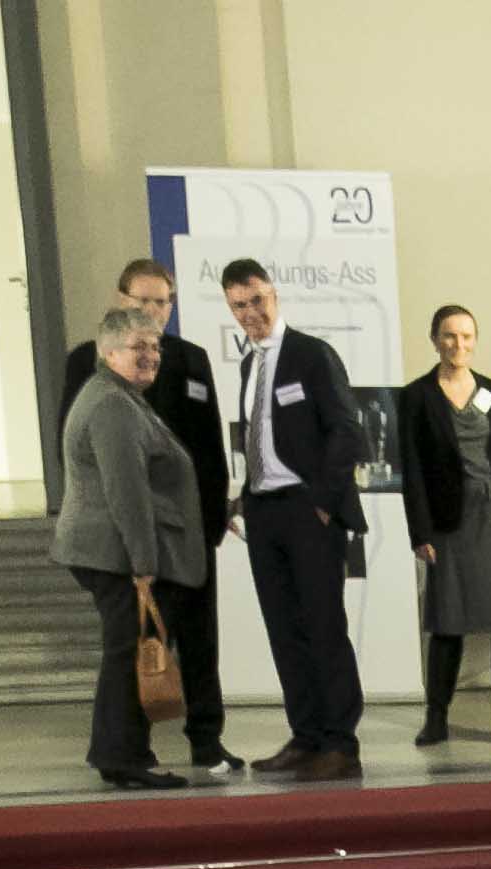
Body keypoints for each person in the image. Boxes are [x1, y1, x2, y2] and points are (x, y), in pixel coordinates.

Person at [55, 259, 235, 776]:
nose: (150, 353)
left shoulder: (136, 388)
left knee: (133, 649)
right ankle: (125, 755)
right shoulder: (110, 397)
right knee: (129, 650)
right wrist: (144, 561)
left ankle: (122, 751)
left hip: (166, 539)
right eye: (139, 347)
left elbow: (205, 449)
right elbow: (125, 488)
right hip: (126, 545)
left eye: (154, 345)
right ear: (109, 350)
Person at [218, 256, 367, 781]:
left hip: (308, 510)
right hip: (264, 512)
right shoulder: (249, 365)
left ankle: (340, 743)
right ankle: (306, 736)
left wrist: (322, 502)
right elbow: (261, 438)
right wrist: (242, 499)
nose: (250, 312)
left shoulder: (311, 355)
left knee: (324, 627)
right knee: (284, 630)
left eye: (257, 300)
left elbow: (347, 431)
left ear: (274, 295)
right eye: (239, 305)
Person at [396, 303, 491, 749]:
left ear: (475, 340)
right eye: (449, 335)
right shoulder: (417, 396)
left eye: (466, 336)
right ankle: (436, 718)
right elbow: (413, 470)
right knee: (447, 621)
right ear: (434, 339)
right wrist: (420, 532)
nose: (458, 344)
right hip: (450, 522)